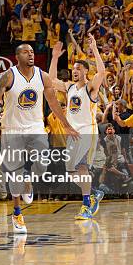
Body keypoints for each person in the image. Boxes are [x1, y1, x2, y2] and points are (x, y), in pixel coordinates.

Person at [0, 43, 79, 234]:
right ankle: (17, 212)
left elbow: (53, 102)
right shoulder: (9, 76)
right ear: (17, 56)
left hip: (35, 126)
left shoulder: (42, 76)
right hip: (11, 128)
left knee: (42, 164)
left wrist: (67, 125)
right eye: (26, 52)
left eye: (32, 52)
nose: (31, 55)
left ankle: (28, 182)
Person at [48, 35, 106, 220]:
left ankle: (86, 205)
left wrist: (95, 49)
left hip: (88, 132)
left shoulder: (90, 88)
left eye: (78, 69)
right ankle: (94, 193)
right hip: (73, 134)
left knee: (81, 167)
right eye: (73, 69)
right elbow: (50, 80)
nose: (74, 71)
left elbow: (102, 73)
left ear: (86, 72)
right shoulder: (69, 87)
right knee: (71, 172)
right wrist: (55, 57)